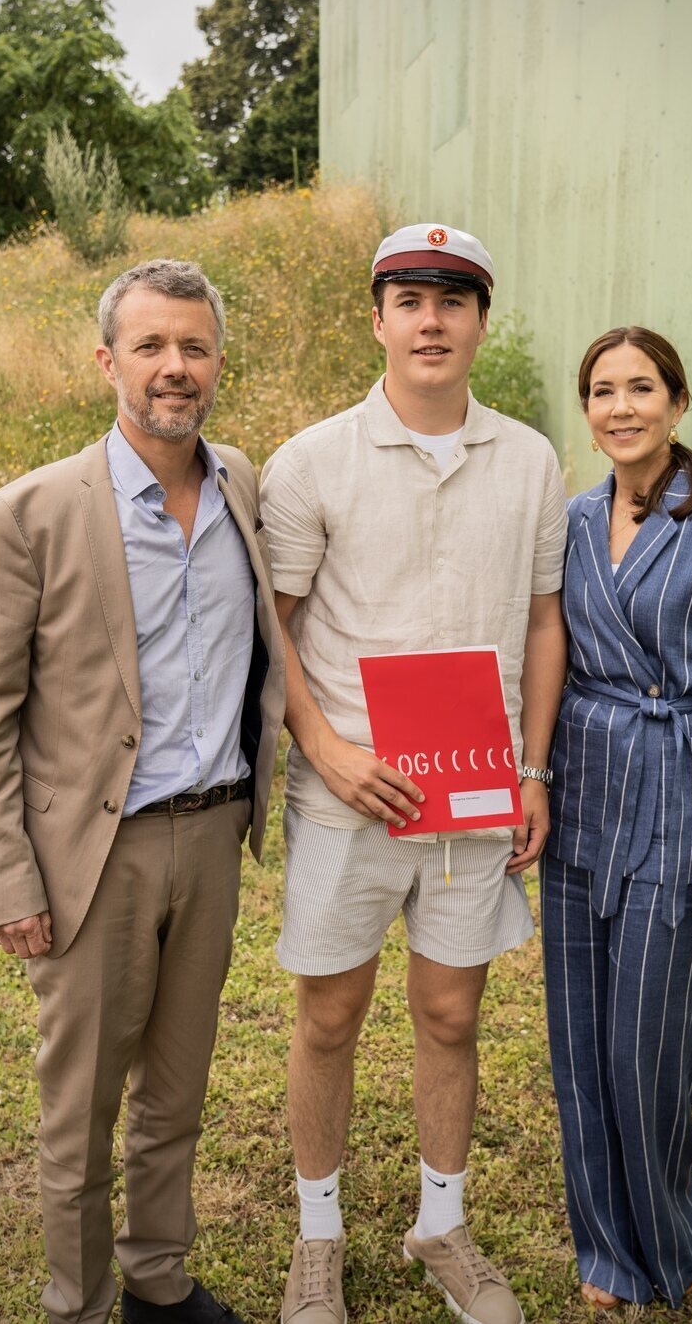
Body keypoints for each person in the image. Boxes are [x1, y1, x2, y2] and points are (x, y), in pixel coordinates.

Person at [0, 260, 284, 1324]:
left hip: (215, 832)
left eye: (193, 346)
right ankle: (80, 1302)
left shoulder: (240, 483)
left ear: (217, 360)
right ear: (108, 362)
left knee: (176, 1094)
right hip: (96, 857)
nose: (174, 367)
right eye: (150, 347)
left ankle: (156, 1278)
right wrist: (6, 877)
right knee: (79, 1110)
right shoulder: (33, 512)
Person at [259, 223, 568, 1324]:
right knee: (329, 1018)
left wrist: (531, 767)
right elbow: (274, 629)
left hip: (476, 789)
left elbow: (542, 622)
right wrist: (327, 749)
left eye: (453, 298)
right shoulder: (312, 460)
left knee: (449, 1015)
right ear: (376, 319)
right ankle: (318, 1239)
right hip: (353, 792)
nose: (430, 319)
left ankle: (442, 1225)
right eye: (408, 299)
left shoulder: (530, 458)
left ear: (482, 321)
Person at [541, 325, 692, 1310]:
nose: (620, 407)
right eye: (601, 390)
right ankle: (603, 1250)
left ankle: (664, 1246)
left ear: (676, 403)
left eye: (641, 388)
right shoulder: (568, 520)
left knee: (647, 1048)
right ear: (585, 410)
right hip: (578, 790)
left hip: (674, 798)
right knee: (577, 1041)